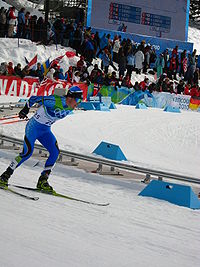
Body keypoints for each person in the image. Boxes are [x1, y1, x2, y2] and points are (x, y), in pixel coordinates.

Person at [0, 86, 83, 192]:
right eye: (78, 100)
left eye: (80, 101)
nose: (78, 103)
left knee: (55, 152)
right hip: (33, 128)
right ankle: (4, 176)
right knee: (27, 153)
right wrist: (26, 109)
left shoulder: (71, 106)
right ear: (70, 98)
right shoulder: (54, 101)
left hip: (45, 130)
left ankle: (43, 181)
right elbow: (34, 98)